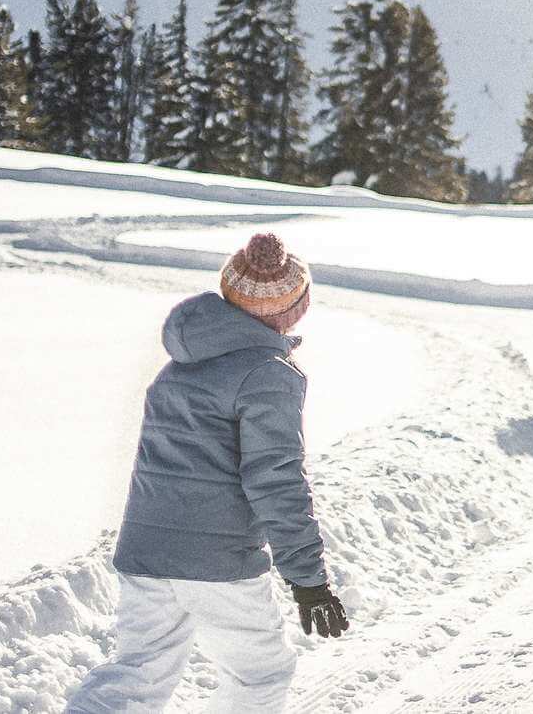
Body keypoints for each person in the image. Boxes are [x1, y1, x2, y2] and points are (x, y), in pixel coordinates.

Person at [66, 233, 349, 714]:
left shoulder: (179, 365)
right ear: (289, 310)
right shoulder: (269, 373)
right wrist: (308, 580)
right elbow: (275, 479)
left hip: (146, 551)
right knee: (259, 676)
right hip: (218, 559)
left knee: (139, 672)